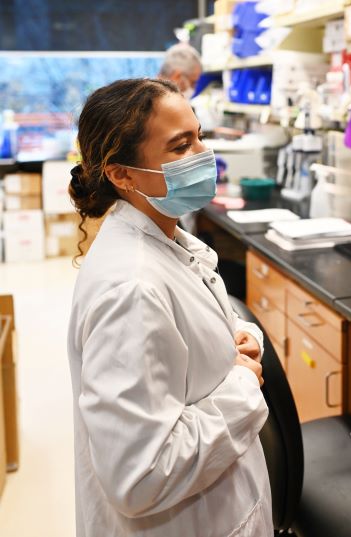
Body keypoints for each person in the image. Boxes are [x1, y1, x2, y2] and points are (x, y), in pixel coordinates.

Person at [67, 78, 273, 537]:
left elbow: (194, 335)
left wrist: (239, 338)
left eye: (200, 136)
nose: (203, 155)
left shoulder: (169, 240)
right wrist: (242, 385)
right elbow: (139, 477)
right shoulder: (130, 288)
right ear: (122, 174)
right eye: (180, 146)